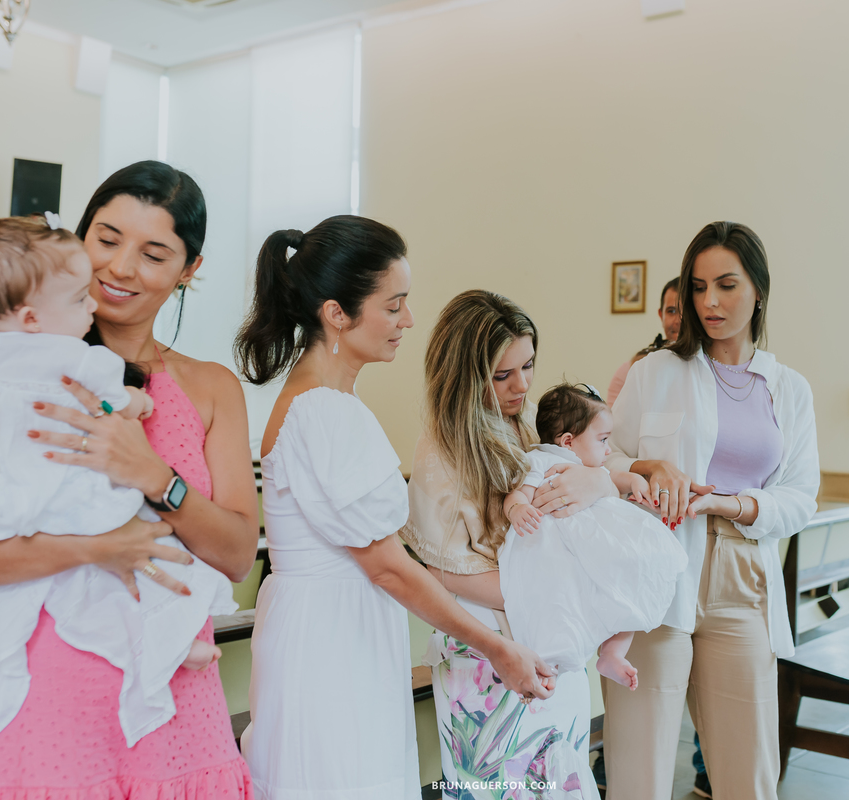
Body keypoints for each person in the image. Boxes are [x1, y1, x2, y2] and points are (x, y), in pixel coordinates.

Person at [0, 160, 259, 797]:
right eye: (107, 239)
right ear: (79, 238)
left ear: (188, 270)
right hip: (45, 688)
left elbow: (233, 553)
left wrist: (154, 476)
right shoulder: (14, 370)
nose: (119, 269)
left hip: (173, 689)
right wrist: (92, 548)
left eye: (153, 253)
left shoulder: (210, 388)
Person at [235, 219, 555, 800]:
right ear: (337, 313)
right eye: (394, 306)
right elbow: (385, 565)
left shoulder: (318, 401)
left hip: (325, 624)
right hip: (334, 638)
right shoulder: (327, 411)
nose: (408, 321)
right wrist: (498, 647)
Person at [603, 222, 819, 800]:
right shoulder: (656, 372)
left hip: (742, 576)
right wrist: (649, 469)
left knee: (749, 776)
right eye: (698, 288)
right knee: (639, 769)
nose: (710, 302)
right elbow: (605, 457)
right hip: (657, 571)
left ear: (759, 289)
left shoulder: (790, 390)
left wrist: (738, 503)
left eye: (726, 284)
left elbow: (801, 496)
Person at [400, 290, 617, 799]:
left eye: (529, 365)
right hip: (486, 653)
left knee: (563, 780)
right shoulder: (442, 451)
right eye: (503, 375)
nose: (522, 385)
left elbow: (600, 469)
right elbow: (443, 575)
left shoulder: (529, 421)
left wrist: (599, 483)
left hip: (552, 635)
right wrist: (558, 583)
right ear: (465, 374)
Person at [500, 382, 688, 690]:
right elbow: (518, 495)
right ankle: (551, 663)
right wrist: (517, 510)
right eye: (602, 439)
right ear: (569, 441)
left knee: (631, 588)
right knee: (561, 607)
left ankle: (612, 654)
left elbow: (617, 477)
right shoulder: (542, 462)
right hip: (560, 550)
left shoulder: (593, 468)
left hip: (599, 548)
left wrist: (636, 483)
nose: (609, 449)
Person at [605, 276, 680, 407]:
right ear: (660, 314)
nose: (678, 320)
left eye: (687, 312)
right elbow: (613, 424)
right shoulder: (631, 370)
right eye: (672, 311)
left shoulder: (712, 366)